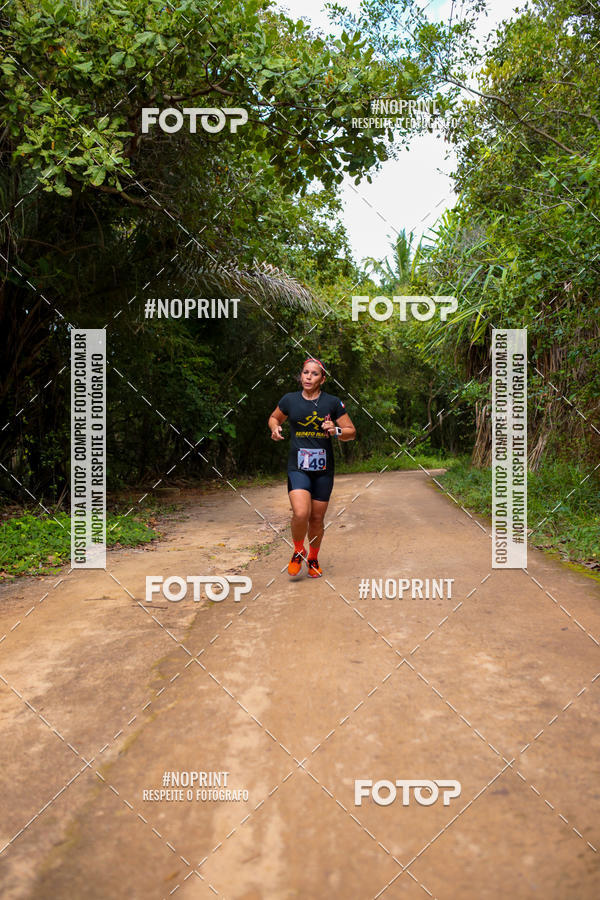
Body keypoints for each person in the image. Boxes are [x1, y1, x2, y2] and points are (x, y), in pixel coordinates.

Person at [268, 358, 356, 578]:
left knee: (316, 518)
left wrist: (335, 430)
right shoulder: (289, 400)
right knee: (301, 512)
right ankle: (299, 550)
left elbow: (351, 432)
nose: (308, 377)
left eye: (314, 374)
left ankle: (313, 557)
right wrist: (275, 427)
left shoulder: (333, 402)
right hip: (298, 466)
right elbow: (274, 417)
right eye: (305, 372)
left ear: (322, 379)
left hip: (323, 469)